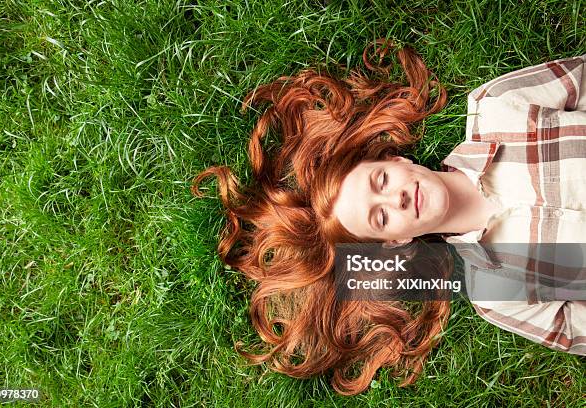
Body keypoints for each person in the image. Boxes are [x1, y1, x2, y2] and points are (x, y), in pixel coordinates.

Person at [191, 39, 586, 395]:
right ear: (395, 242)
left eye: (380, 180)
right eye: (380, 218)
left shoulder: (498, 109)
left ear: (396, 159)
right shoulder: (493, 293)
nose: (394, 198)